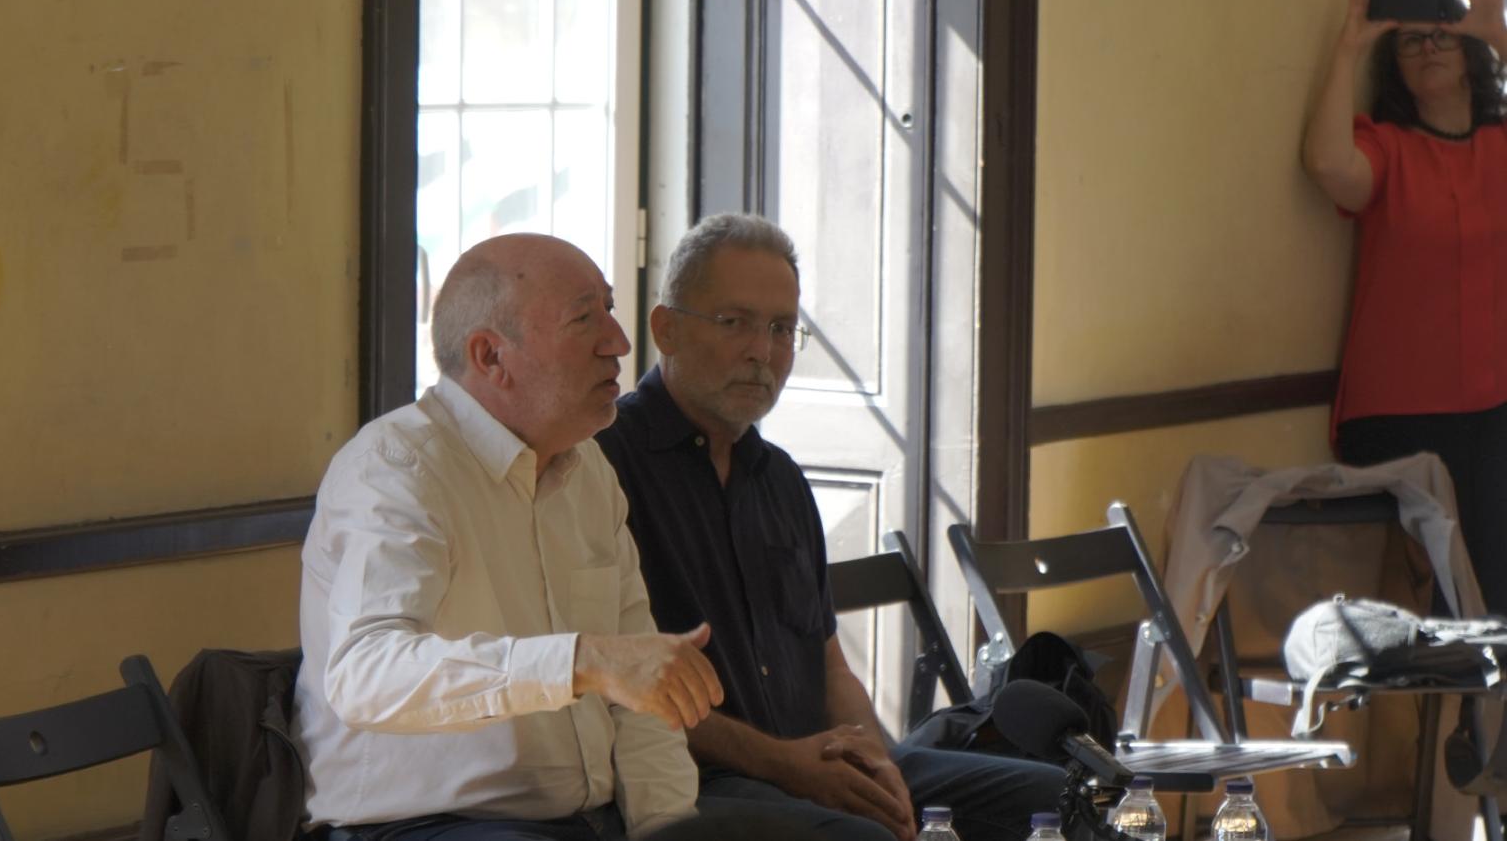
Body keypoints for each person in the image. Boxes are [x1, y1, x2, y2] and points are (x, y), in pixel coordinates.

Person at [595, 213, 1066, 841]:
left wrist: (876, 760)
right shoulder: (603, 467)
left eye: (781, 329)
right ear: (666, 329)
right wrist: (788, 764)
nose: (762, 352)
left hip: (813, 765)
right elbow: (615, 685)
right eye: (734, 322)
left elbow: (830, 667)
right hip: (700, 782)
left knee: (1068, 800)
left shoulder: (781, 480)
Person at [295, 234, 726, 841]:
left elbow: (641, 701)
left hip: (586, 822)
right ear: (491, 356)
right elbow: (365, 675)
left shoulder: (590, 469)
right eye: (585, 318)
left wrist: (669, 829)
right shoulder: (396, 467)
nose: (620, 342)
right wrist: (580, 662)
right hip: (420, 825)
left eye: (609, 308)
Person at [1303, 0, 1507, 612]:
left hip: (1495, 409)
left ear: (1469, 53)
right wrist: (1348, 48)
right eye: (1411, 41)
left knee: (1496, 597)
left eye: (1442, 35)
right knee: (1427, 609)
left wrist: (1500, 35)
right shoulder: (1387, 146)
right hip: (1399, 413)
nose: (1428, 49)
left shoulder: (1500, 145)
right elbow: (1329, 164)